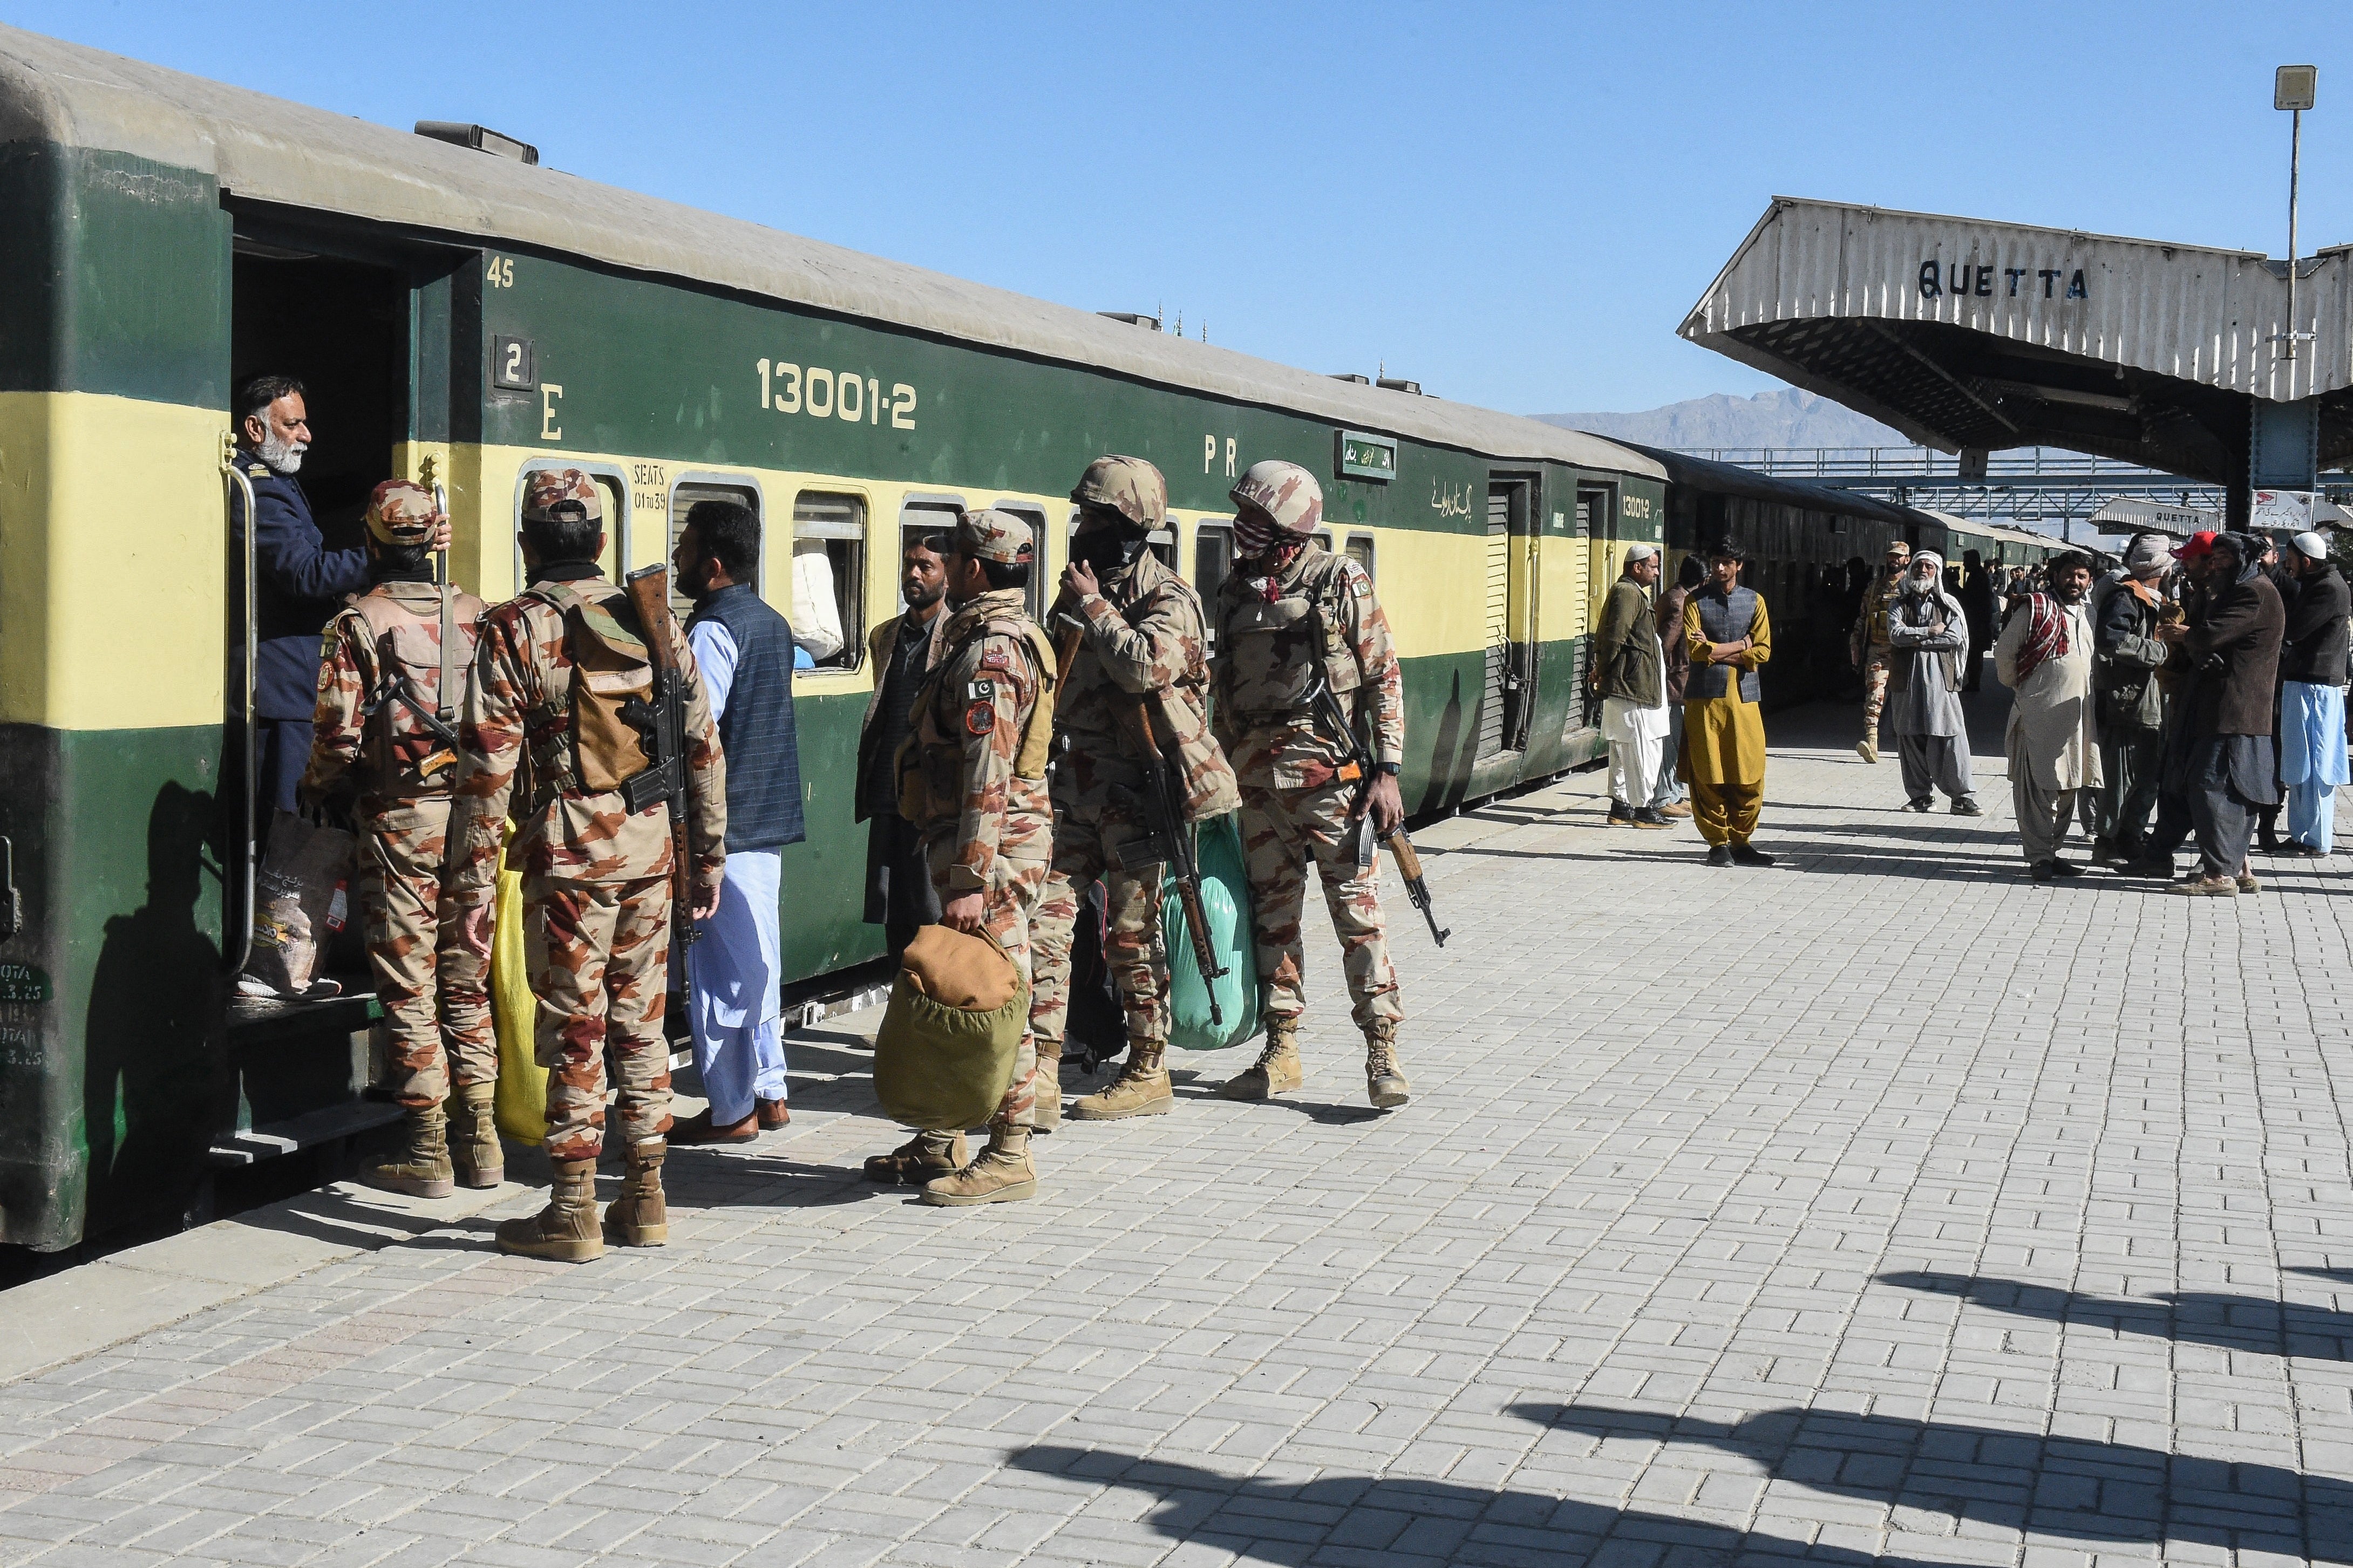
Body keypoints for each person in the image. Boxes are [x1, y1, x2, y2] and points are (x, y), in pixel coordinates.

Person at [451, 469, 727, 1262]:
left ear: (527, 543)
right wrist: (705, 858)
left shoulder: (513, 628)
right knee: (641, 1027)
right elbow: (704, 747)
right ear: (602, 541)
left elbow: (486, 770)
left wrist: (472, 890)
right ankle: (645, 1196)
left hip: (568, 856)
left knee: (576, 1029)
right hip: (650, 848)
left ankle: (573, 1204)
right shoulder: (649, 617)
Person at [297, 481, 495, 1197]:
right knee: (467, 974)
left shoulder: (357, 624)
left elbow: (336, 738)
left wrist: (316, 789)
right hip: (476, 819)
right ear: (432, 540)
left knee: (412, 981)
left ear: (375, 543)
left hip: (399, 820)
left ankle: (426, 1148)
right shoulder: (481, 616)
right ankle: (483, 1140)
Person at [1030, 457, 1237, 1127]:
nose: (1081, 526)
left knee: (1130, 935)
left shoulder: (1167, 597)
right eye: (1081, 514)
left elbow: (1145, 666)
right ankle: (1036, 1069)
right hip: (1074, 787)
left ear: (1128, 527)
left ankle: (1149, 1068)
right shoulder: (1079, 592)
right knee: (1047, 925)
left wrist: (1092, 604)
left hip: (1139, 792)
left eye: (1095, 517)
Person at [861, 509, 1057, 1203]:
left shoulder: (992, 650)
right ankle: (943, 1136)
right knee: (956, 983)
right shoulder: (983, 633)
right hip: (979, 843)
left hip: (993, 851)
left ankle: (1010, 1153)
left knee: (996, 991)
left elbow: (987, 768)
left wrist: (971, 875)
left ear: (974, 567)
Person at [1209, 460, 1410, 1109]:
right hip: (1258, 786)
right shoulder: (1236, 589)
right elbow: (1224, 693)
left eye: (1259, 519)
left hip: (1334, 785)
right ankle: (1282, 1047)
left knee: (1358, 917)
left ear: (1292, 523)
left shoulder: (1337, 579)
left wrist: (1387, 772)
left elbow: (1383, 676)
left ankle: (1381, 1050)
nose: (1245, 529)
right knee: (1274, 921)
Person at [234, 376, 450, 817]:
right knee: (287, 822)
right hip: (285, 683)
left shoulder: (277, 482)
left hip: (290, 680)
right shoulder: (262, 490)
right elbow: (303, 574)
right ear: (256, 430)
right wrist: (393, 552)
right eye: (293, 425)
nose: (306, 436)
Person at [670, 500, 805, 1146]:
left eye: (686, 547)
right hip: (765, 824)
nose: (676, 558)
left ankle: (731, 1109)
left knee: (721, 974)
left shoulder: (713, 631)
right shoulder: (773, 623)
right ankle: (772, 1089)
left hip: (723, 829)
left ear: (713, 564)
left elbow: (701, 733)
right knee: (761, 964)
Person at [2154, 532, 2285, 895]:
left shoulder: (2252, 592)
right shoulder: (2237, 590)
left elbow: (2211, 635)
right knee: (2231, 788)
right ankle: (2239, 869)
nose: (2219, 563)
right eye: (2217, 556)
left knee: (2212, 785)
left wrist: (2187, 635)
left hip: (2233, 708)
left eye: (2227, 557)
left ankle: (2218, 877)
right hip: (2229, 708)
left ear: (2247, 558)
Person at [856, 533, 950, 958]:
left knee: (933, 916)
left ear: (947, 576)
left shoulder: (958, 636)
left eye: (925, 566)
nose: (913, 574)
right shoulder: (886, 636)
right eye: (909, 564)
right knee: (893, 912)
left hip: (934, 797)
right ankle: (902, 1015)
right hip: (889, 795)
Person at [1996, 551, 2100, 881]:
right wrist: (2027, 692)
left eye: (2082, 576)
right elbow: (2004, 654)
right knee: (2036, 789)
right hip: (2039, 714)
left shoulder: (2088, 613)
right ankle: (2039, 857)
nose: (2076, 581)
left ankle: (2053, 852)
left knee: (2071, 784)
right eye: (2070, 574)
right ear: (2056, 576)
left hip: (2078, 716)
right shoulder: (2035, 608)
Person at [1681, 542, 1774, 867]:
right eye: (1715, 562)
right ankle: (1717, 843)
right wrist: (1739, 647)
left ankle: (1742, 841)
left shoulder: (1755, 601)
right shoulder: (1694, 601)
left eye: (1726, 563)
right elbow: (1695, 652)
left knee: (1748, 772)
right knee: (1708, 774)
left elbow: (1762, 651)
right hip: (1704, 701)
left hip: (1745, 700)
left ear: (1739, 566)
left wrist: (1715, 650)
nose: (1719, 569)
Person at [2088, 534, 2173, 864]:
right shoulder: (2127, 597)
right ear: (2161, 569)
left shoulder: (2148, 598)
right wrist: (2160, 652)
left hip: (2146, 701)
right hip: (2128, 701)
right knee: (2122, 779)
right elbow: (2111, 641)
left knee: (2147, 777)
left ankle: (2130, 836)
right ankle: (2108, 841)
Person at [1882, 551, 1980, 814]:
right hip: (1907, 682)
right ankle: (1920, 797)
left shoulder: (1949, 605)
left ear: (1937, 572)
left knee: (1949, 736)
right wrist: (1927, 632)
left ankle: (1962, 797)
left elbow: (1953, 638)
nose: (1923, 571)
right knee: (1910, 737)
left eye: (1929, 567)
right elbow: (1895, 635)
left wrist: (1914, 639)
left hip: (1941, 680)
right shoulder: (1898, 605)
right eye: (1918, 566)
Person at [2275, 531, 2349, 855]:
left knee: (2316, 763)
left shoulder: (2328, 590)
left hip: (2315, 685)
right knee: (2300, 762)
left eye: (2290, 562)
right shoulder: (2319, 585)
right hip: (2307, 682)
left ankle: (2317, 838)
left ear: (2307, 562)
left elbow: (2293, 629)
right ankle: (2303, 833)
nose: (2287, 568)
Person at [1592, 543, 1670, 828]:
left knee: (1624, 746)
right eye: (1653, 567)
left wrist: (1602, 670)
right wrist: (1602, 670)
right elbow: (1616, 637)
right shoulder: (1628, 592)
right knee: (1637, 747)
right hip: (1630, 685)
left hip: (1627, 683)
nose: (1657, 572)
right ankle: (1643, 810)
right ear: (1637, 568)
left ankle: (1621, 806)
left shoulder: (1631, 592)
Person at [1648, 554, 1703, 821]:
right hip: (1672, 682)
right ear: (1703, 581)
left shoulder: (1675, 595)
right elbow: (1665, 645)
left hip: (1676, 681)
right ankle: (1662, 797)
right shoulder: (1680, 603)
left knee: (1676, 740)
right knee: (1668, 741)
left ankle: (1674, 793)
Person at [1849, 538, 1911, 763]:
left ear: (1907, 560)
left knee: (1908, 699)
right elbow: (1863, 617)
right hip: (1878, 649)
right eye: (1891, 556)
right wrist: (1855, 643)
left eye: (1898, 556)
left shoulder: (1911, 588)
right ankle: (1872, 742)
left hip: (1905, 652)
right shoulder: (1875, 587)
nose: (1894, 560)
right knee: (1875, 695)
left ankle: (1911, 746)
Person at [1958, 550, 1996, 692]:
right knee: (1975, 654)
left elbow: (1969, 599)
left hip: (1978, 624)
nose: (1963, 564)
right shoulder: (1979, 575)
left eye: (1966, 561)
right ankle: (1974, 682)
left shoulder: (1977, 577)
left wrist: (1954, 586)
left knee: (1975, 654)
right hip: (1979, 623)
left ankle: (1974, 683)